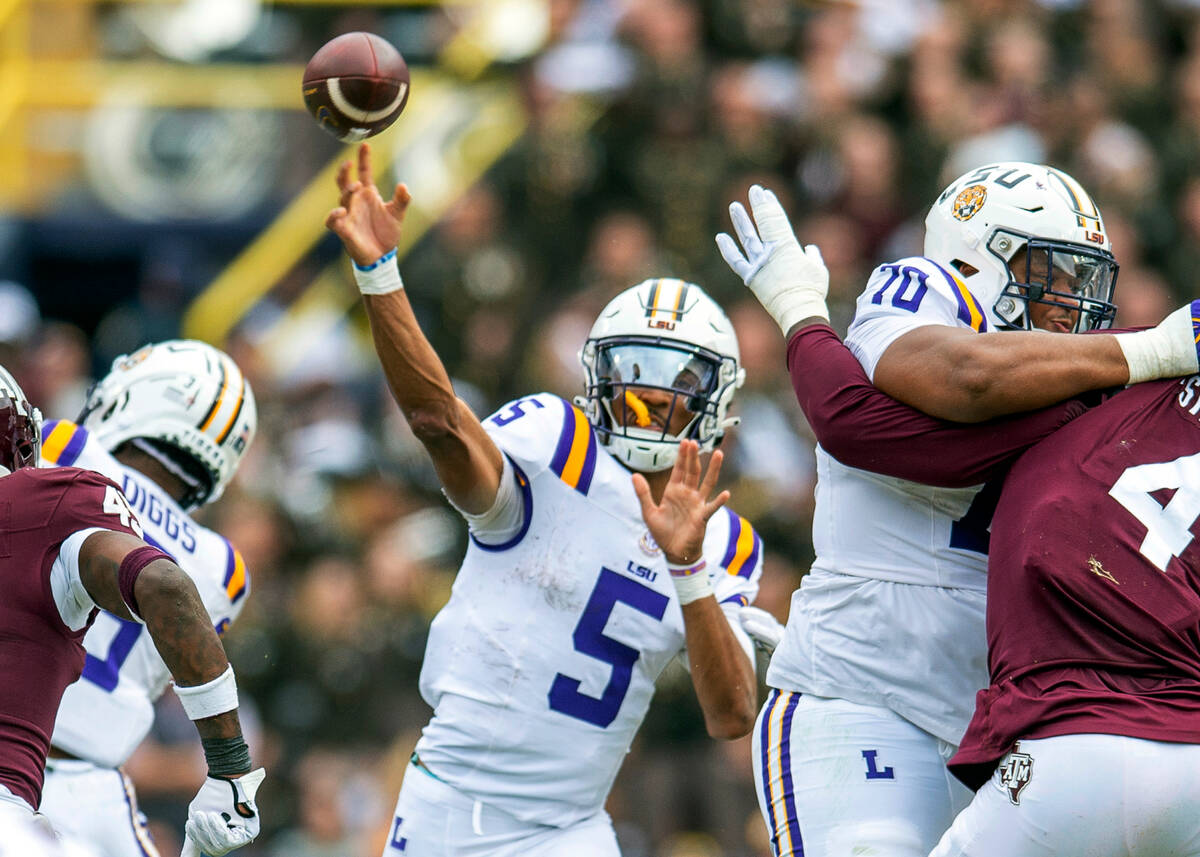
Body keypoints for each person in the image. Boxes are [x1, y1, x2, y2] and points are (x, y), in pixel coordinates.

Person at [716, 163, 1200, 857]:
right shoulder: (923, 295)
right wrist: (1148, 353)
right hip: (865, 698)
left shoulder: (1083, 368)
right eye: (1052, 271)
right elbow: (954, 384)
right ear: (975, 257)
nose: (1070, 299)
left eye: (1081, 278)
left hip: (998, 727)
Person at [326, 143, 765, 856]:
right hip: (452, 803)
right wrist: (380, 275)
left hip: (571, 828)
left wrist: (688, 570)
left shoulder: (725, 539)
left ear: (714, 405)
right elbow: (439, 425)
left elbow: (733, 713)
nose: (649, 403)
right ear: (596, 376)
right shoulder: (555, 442)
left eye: (672, 390)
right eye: (633, 377)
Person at [0, 365, 265, 856]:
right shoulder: (227, 571)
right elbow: (173, 622)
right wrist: (231, 763)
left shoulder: (69, 450)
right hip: (94, 789)